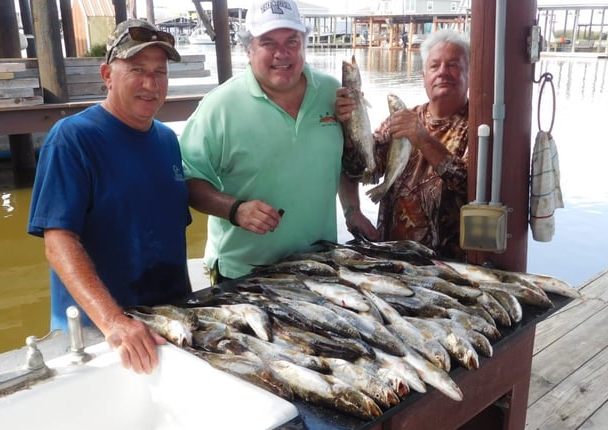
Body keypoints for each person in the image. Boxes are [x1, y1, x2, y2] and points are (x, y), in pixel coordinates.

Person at [28, 19, 192, 373]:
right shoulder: (71, 139)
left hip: (168, 323)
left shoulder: (167, 140)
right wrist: (113, 321)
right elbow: (58, 243)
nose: (151, 84)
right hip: (100, 334)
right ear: (107, 74)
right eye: (137, 70)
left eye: (160, 72)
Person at [179, 0, 366, 283]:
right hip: (244, 271)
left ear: (304, 43)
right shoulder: (219, 106)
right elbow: (189, 180)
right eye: (268, 42)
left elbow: (344, 160)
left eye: (292, 41)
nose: (282, 53)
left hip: (320, 264)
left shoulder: (333, 92)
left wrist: (352, 210)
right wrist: (235, 210)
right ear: (248, 49)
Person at [337, 29, 470, 261]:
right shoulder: (400, 119)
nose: (442, 72)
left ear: (470, 73)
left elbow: (471, 185)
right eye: (435, 65)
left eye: (453, 65)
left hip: (448, 264)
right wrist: (350, 128)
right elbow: (360, 170)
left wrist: (422, 138)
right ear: (424, 76)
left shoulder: (478, 128)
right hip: (393, 258)